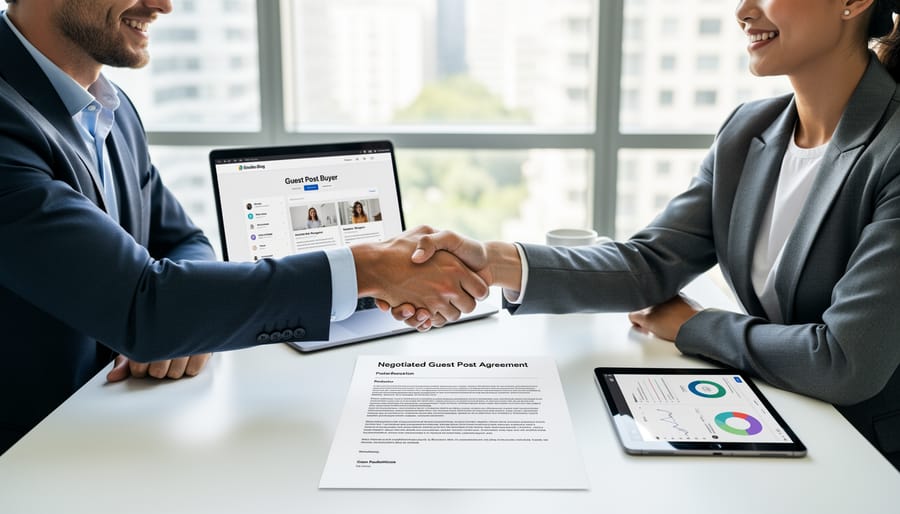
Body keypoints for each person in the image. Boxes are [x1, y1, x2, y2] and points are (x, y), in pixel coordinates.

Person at [390, 0, 900, 470]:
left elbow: (845, 362)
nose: (743, 11)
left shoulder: (892, 152)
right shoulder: (749, 129)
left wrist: (693, 326)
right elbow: (650, 263)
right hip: (777, 417)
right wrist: (493, 260)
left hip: (865, 458)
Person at [0, 0, 487, 454]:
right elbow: (142, 305)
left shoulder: (113, 109)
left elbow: (182, 240)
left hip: (115, 430)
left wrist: (183, 325)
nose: (164, 4)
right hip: (30, 460)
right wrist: (369, 268)